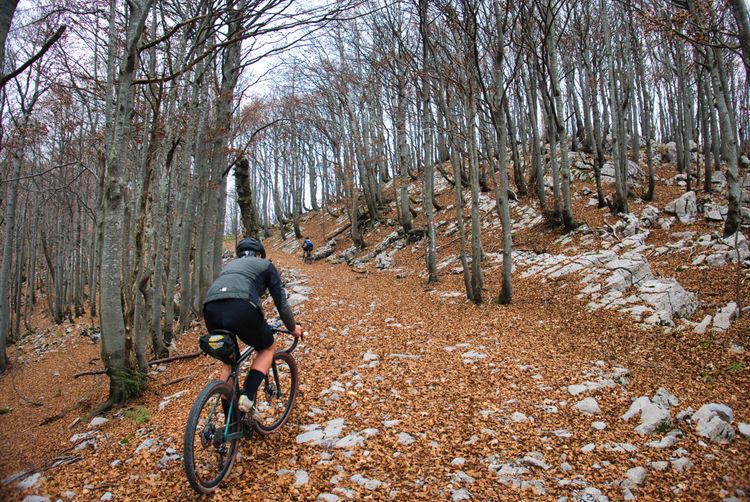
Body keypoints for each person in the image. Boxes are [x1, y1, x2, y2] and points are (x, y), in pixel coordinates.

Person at [203, 237, 303, 413]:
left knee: (229, 361)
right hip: (241, 307)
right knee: (267, 348)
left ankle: (231, 419)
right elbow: (281, 303)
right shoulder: (265, 265)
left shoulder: (229, 267)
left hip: (210, 308)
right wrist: (292, 328)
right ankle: (247, 396)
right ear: (259, 254)